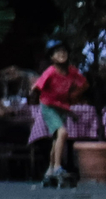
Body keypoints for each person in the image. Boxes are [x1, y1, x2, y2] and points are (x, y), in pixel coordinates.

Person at [31, 44, 87, 187]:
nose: (61, 54)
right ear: (52, 57)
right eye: (57, 52)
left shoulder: (71, 72)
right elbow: (36, 87)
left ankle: (49, 170)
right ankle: (57, 167)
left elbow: (84, 84)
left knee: (57, 139)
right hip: (49, 106)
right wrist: (37, 97)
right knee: (62, 133)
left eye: (64, 51)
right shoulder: (50, 72)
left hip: (62, 107)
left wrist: (73, 95)